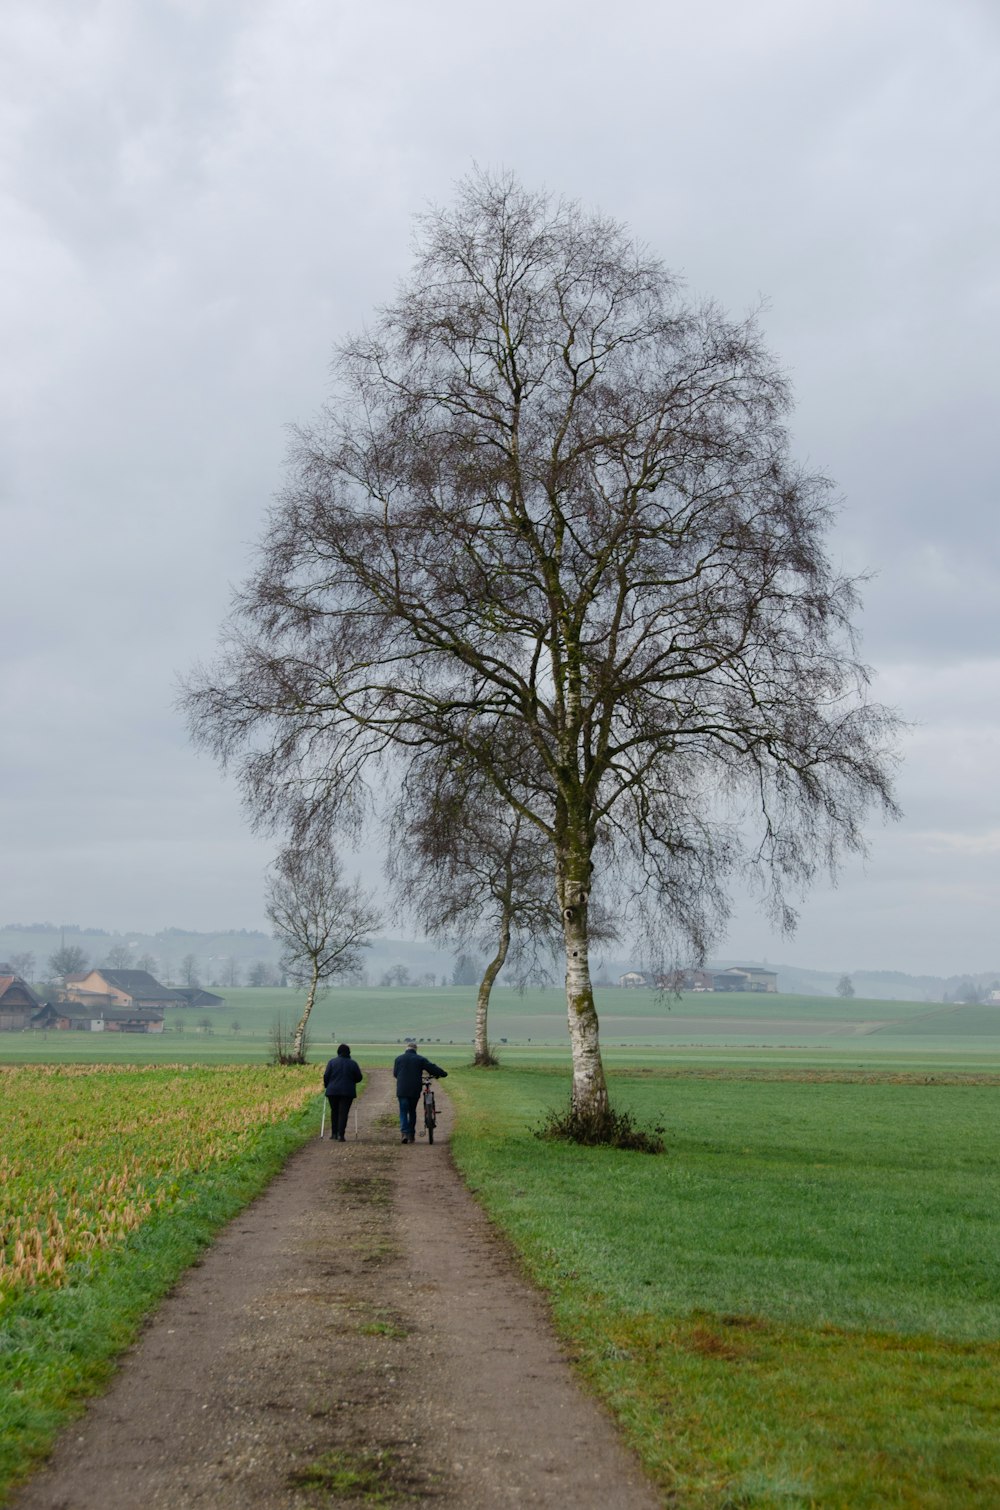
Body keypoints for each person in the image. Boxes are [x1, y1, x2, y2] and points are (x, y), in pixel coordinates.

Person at [393, 1038, 447, 1143]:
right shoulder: (420, 1059)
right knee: (412, 1111)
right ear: (415, 1050)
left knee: (403, 1111)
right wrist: (443, 1073)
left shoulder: (398, 1059)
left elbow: (395, 1074)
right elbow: (432, 1068)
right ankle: (411, 1135)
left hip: (402, 1089)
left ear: (406, 1049)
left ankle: (404, 1133)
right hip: (414, 1089)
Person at [322, 1043, 363, 1141]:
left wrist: (327, 1085)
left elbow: (326, 1076)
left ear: (338, 1052)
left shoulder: (332, 1062)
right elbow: (359, 1077)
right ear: (348, 1053)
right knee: (343, 1113)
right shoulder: (353, 1063)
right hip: (347, 1092)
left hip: (332, 1091)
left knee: (334, 1111)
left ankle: (334, 1134)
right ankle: (341, 1135)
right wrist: (352, 1080)